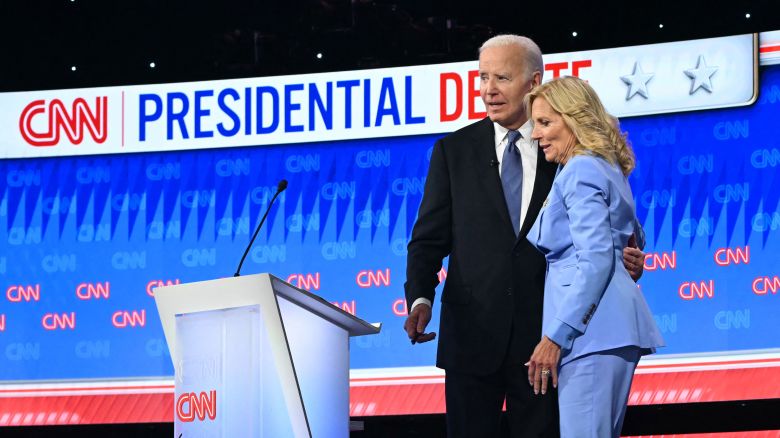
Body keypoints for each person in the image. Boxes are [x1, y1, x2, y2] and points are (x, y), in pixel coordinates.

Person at [403, 35, 646, 437]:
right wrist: (420, 298)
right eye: (482, 77)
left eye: (501, 77)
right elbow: (428, 239)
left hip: (545, 339)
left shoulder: (565, 149)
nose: (488, 89)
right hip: (471, 338)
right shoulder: (453, 151)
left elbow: (611, 226)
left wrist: (628, 254)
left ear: (533, 82)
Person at [524, 76, 664, 437]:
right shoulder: (604, 165)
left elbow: (597, 258)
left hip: (591, 334)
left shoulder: (580, 169)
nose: (536, 135)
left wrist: (556, 336)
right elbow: (627, 235)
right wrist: (630, 252)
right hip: (607, 330)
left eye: (545, 122)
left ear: (574, 118)